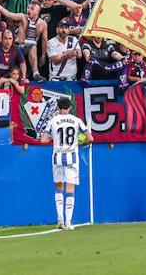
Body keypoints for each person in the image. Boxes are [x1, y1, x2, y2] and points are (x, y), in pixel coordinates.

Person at [39, 97, 91, 230]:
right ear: (69, 107)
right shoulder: (76, 120)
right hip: (71, 158)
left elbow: (43, 140)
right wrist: (81, 141)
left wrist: (53, 136)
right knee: (70, 189)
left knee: (58, 188)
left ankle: (60, 220)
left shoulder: (53, 121)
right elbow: (90, 138)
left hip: (57, 158)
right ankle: (68, 222)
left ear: (57, 107)